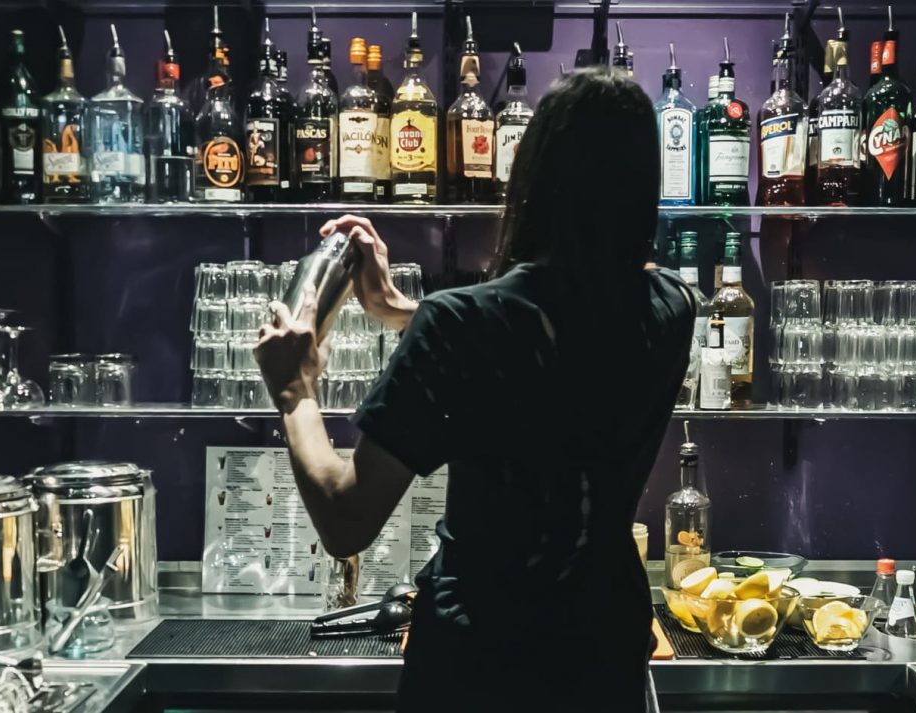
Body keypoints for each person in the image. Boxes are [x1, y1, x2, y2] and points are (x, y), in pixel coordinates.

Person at [255, 68, 694, 713]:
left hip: (479, 670)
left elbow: (345, 519)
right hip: (604, 656)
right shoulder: (673, 306)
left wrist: (294, 392)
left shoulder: (464, 327)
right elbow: (556, 339)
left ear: (533, 176)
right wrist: (407, 310)